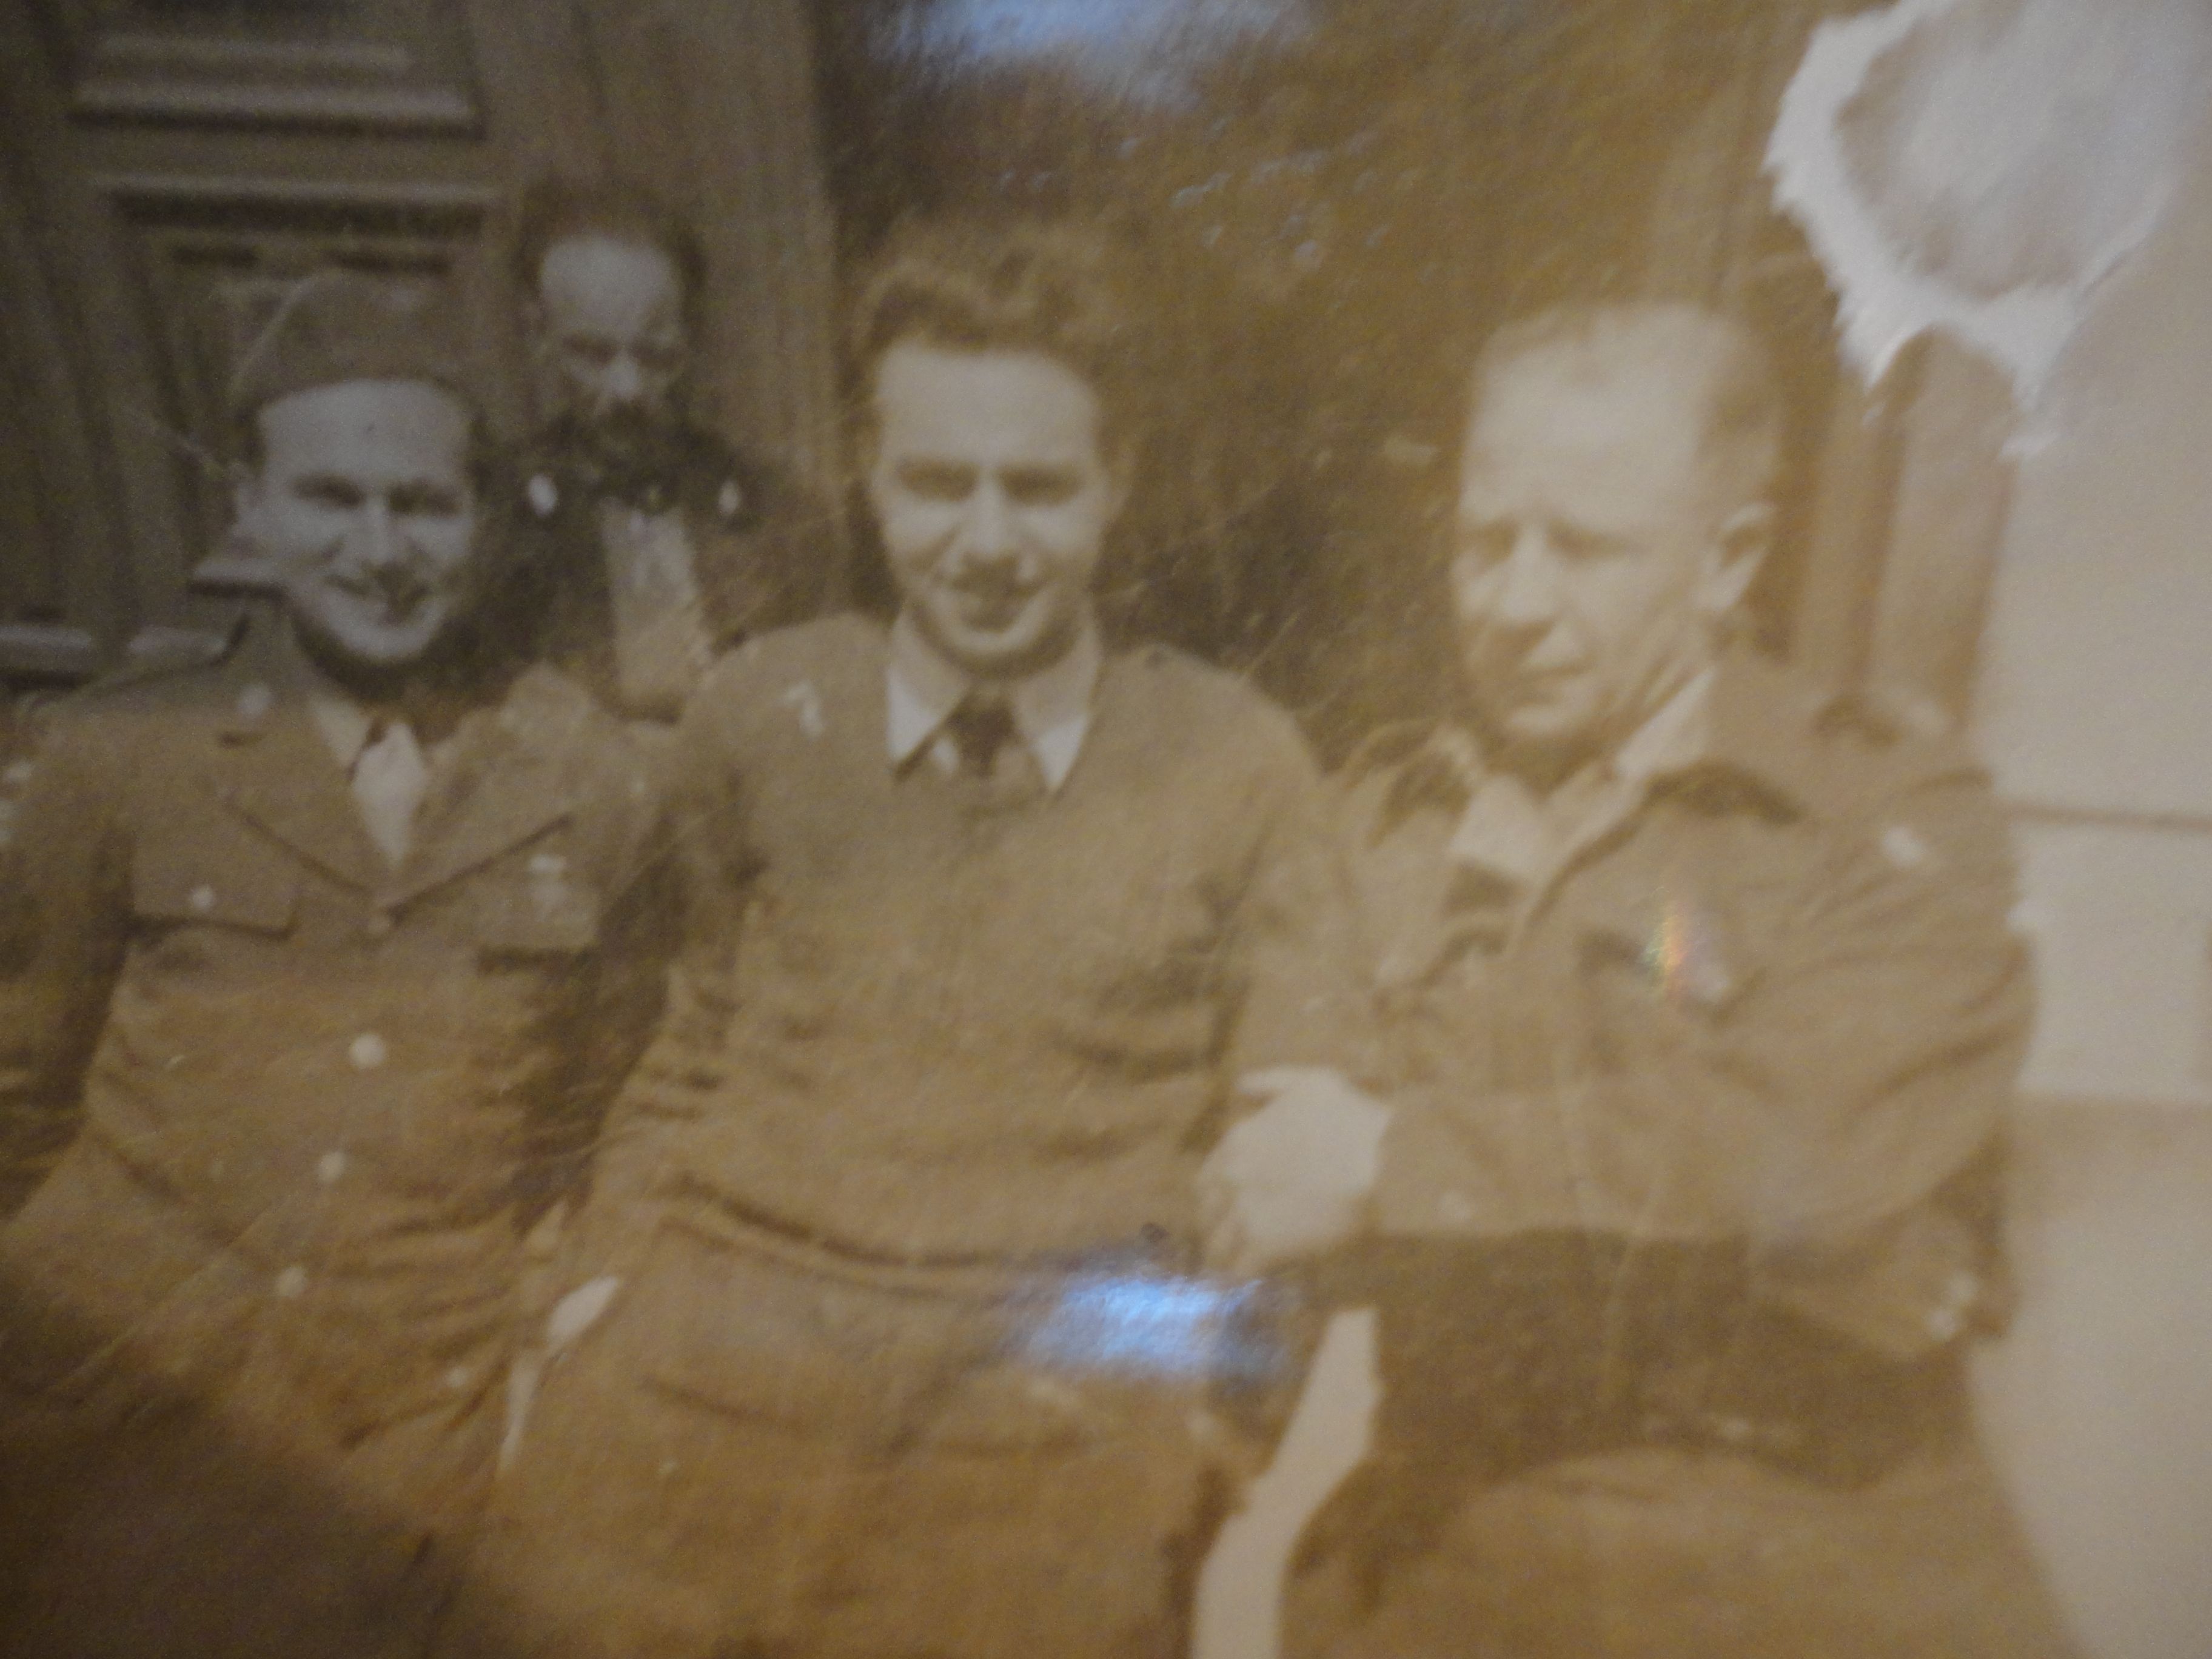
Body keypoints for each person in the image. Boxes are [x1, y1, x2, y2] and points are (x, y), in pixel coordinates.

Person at [441, 217, 1378, 1659]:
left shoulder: (1237, 756)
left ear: (1116, 480)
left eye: (1040, 487)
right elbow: (684, 1043)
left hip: (1049, 1384)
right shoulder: (760, 710)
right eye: (937, 483)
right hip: (715, 1346)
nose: (987, 543)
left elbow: (1292, 1146)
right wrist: (597, 1292)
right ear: (871, 473)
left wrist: (1189, 1398)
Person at [1260, 301, 2080, 1658]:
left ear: (1730, 559)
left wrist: (1398, 1167)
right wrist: (1738, 1241)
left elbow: (1803, 1145)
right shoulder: (1386, 822)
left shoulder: (1886, 807)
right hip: (1454, 1562)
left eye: (1583, 549)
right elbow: (1275, 1160)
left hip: (1791, 1570)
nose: (1515, 604)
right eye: (1485, 539)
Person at [0, 270, 670, 1658]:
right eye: (330, 499)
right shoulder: (122, 753)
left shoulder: (588, 780)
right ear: (248, 504)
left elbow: (601, 1109)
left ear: (482, 518)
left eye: (423, 503)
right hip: (113, 1422)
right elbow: (19, 1091)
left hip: (409, 1432)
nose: (380, 547)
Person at [504, 176, 836, 719]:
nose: (628, 390)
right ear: (539, 334)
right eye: (591, 354)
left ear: (693, 333)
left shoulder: (780, 518)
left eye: (657, 354)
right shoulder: (497, 517)